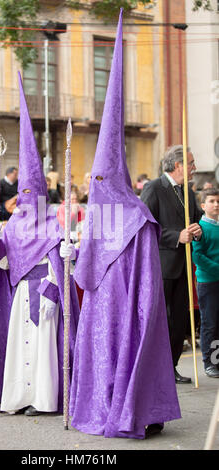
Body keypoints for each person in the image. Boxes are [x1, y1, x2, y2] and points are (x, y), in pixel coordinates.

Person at [69, 11, 181, 440]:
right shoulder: (98, 213)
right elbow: (86, 268)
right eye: (91, 180)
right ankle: (103, 406)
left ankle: (137, 409)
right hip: (102, 306)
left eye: (101, 179)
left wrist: (144, 307)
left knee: (131, 353)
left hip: (132, 305)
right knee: (102, 353)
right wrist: (72, 252)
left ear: (113, 177)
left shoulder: (137, 214)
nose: (95, 186)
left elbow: (147, 275)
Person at [0, 73, 80, 416]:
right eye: (20, 195)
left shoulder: (54, 222)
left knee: (41, 349)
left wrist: (57, 282)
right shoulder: (14, 223)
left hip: (45, 291)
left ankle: (44, 399)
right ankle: (17, 398)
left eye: (30, 195)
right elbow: (3, 264)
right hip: (20, 293)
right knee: (19, 348)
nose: (24, 201)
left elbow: (63, 259)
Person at [141, 145, 202, 384]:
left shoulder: (187, 189)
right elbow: (146, 226)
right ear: (178, 166)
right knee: (163, 320)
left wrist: (197, 230)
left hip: (185, 266)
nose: (194, 167)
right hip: (163, 265)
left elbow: (195, 219)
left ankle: (172, 365)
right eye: (191, 163)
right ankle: (158, 368)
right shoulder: (154, 188)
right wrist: (177, 236)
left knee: (180, 320)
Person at [192, 188, 219, 378]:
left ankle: (217, 361)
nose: (216, 204)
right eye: (211, 201)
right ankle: (209, 362)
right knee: (210, 323)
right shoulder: (200, 227)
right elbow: (197, 256)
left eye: (218, 201)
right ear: (203, 205)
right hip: (208, 281)